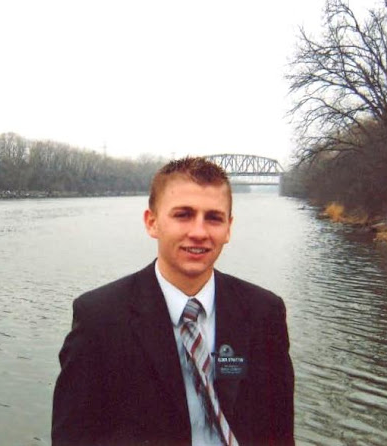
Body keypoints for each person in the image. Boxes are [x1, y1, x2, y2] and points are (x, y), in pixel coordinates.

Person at [51, 156, 294, 446]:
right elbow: (73, 436)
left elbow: (278, 429)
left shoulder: (264, 312)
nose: (199, 232)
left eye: (213, 218)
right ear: (152, 223)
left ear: (228, 228)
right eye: (183, 215)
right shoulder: (99, 318)